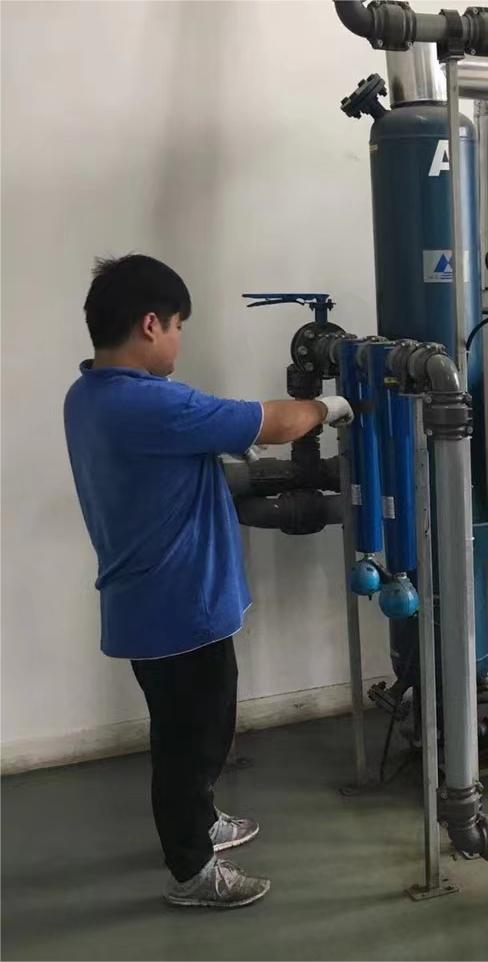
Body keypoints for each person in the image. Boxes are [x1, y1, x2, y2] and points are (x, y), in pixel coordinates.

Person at [63, 254, 354, 909]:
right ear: (149, 324)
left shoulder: (87, 396)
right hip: (177, 610)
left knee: (195, 726)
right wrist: (330, 406)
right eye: (178, 327)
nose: (178, 340)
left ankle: (201, 818)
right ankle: (192, 871)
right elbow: (276, 421)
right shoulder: (151, 403)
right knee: (187, 742)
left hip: (155, 603)